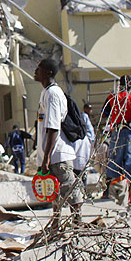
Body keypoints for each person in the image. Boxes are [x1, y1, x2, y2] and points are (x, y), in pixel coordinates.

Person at [33, 58, 83, 225]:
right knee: (54, 191)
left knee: (69, 187)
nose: (35, 71)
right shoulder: (46, 93)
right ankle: (56, 224)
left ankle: (78, 222)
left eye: (39, 69)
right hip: (51, 154)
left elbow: (53, 127)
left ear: (48, 73)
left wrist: (47, 156)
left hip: (58, 154)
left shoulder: (53, 93)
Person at [103, 75, 131, 206]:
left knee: (113, 161)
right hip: (129, 132)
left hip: (116, 132)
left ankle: (106, 192)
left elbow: (105, 114)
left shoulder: (112, 98)